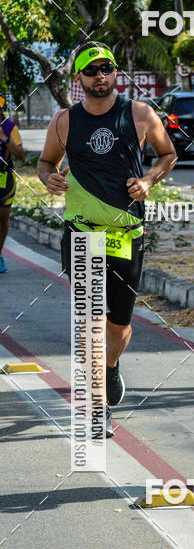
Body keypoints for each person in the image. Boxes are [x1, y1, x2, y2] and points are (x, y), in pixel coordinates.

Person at [38, 42, 177, 436]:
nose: (102, 75)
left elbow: (168, 155)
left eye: (107, 68)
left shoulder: (139, 114)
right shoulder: (65, 121)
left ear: (115, 73)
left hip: (125, 234)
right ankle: (96, 407)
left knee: (119, 328)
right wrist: (48, 177)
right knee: (91, 324)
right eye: (92, 69)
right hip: (82, 231)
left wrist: (148, 180)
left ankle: (111, 367)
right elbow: (46, 161)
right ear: (78, 78)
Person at [0, 95, 25, 273]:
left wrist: (5, 139)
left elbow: (21, 154)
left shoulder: (9, 127)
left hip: (4, 178)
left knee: (2, 219)